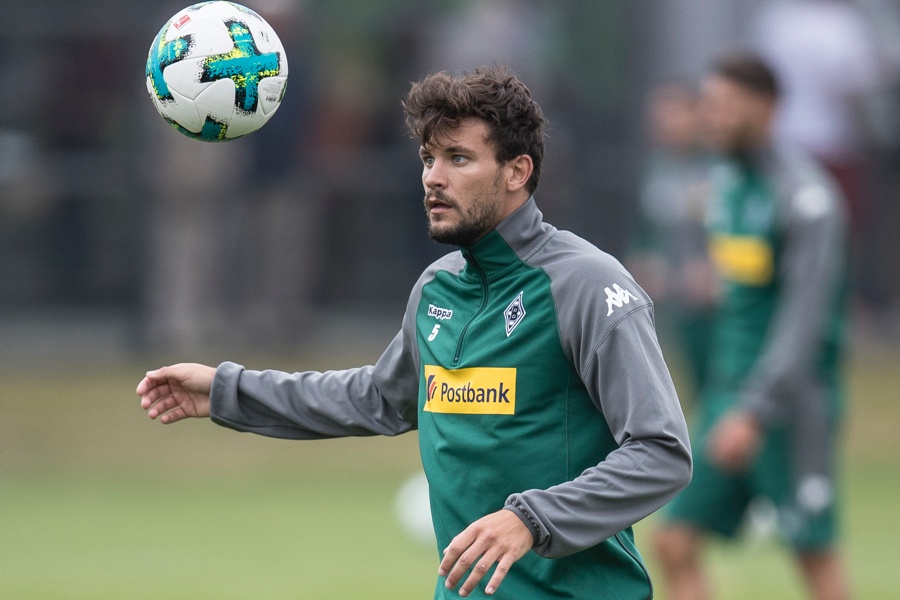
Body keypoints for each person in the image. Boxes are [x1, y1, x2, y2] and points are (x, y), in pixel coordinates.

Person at [137, 65, 692, 599]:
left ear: (517, 171)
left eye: (458, 158)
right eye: (429, 158)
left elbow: (661, 452)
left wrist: (531, 519)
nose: (433, 177)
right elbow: (377, 398)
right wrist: (225, 390)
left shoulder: (586, 284)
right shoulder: (437, 289)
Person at [653, 55, 852, 600]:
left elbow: (803, 321)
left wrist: (755, 409)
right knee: (672, 540)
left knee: (813, 553)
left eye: (725, 108)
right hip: (727, 396)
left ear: (767, 109)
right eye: (707, 107)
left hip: (789, 406)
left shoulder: (808, 199)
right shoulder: (724, 189)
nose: (711, 119)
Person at [628, 81, 716, 401]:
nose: (666, 123)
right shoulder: (655, 168)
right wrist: (643, 261)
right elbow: (644, 231)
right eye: (660, 116)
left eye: (675, 114)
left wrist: (716, 268)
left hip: (714, 306)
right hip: (670, 302)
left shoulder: (719, 166)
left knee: (717, 384)